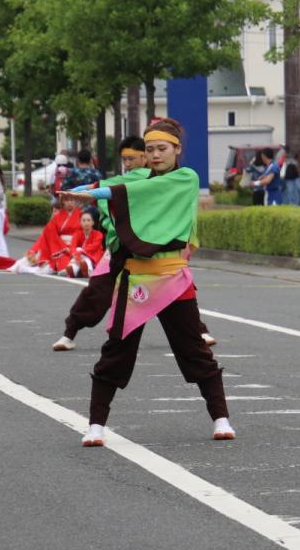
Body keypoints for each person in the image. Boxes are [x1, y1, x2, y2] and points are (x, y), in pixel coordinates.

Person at [58, 117, 233, 446]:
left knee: (194, 349)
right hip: (136, 276)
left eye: (162, 149)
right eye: (150, 149)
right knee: (116, 350)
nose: (155, 155)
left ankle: (221, 417)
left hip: (171, 277)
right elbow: (127, 184)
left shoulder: (185, 177)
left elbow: (139, 190)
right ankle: (96, 425)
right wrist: (85, 191)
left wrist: (98, 192)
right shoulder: (138, 178)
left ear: (177, 149)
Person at [53, 136, 217, 350]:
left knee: (177, 297)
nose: (128, 163)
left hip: (156, 254)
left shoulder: (177, 178)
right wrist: (81, 191)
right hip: (122, 249)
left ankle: (198, 331)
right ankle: (71, 332)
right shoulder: (131, 179)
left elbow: (112, 190)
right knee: (98, 291)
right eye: (125, 159)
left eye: (133, 158)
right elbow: (106, 187)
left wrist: (95, 191)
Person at [12, 197, 83, 274]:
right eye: (67, 200)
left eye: (72, 200)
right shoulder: (57, 217)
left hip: (74, 244)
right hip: (60, 247)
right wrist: (63, 247)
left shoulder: (81, 215)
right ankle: (23, 268)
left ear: (76, 202)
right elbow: (50, 235)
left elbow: (83, 232)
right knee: (50, 266)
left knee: (79, 254)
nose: (70, 202)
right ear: (63, 202)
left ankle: (72, 269)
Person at [65, 210, 105, 278]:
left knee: (80, 251)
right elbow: (72, 246)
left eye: (88, 220)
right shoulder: (77, 234)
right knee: (77, 251)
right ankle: (73, 270)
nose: (86, 222)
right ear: (80, 223)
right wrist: (77, 254)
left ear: (93, 222)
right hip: (79, 257)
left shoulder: (99, 234)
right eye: (83, 220)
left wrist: (80, 251)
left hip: (94, 256)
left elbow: (93, 247)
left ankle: (86, 271)